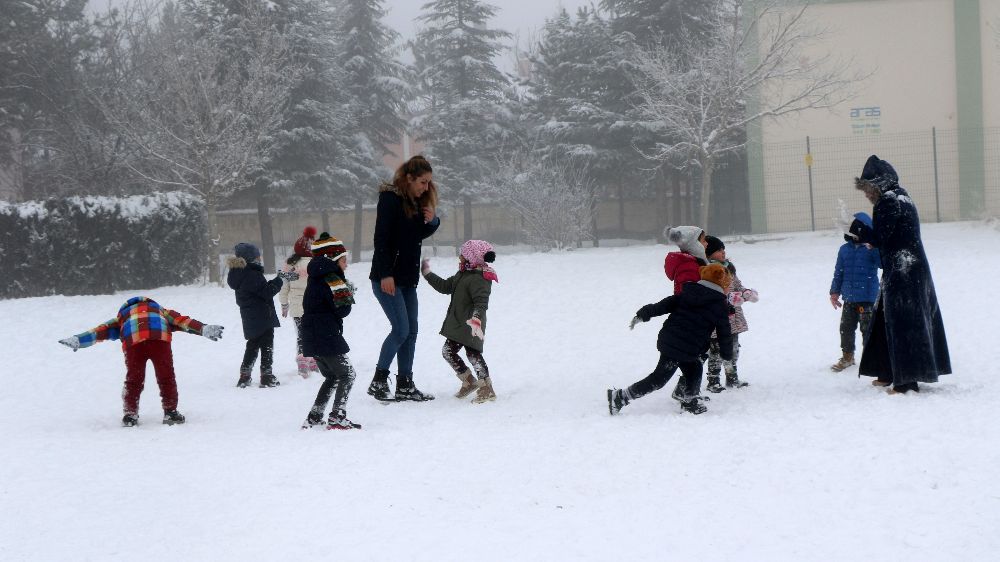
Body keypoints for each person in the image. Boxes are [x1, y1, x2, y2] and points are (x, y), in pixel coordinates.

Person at [849, 155, 951, 393]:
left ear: (879, 184)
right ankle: (886, 371)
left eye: (868, 188)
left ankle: (905, 381)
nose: (866, 193)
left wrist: (857, 230)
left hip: (903, 271)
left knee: (903, 323)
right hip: (910, 268)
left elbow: (880, 238)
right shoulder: (903, 197)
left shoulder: (888, 201)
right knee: (887, 320)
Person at [58, 296, 224, 426]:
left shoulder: (122, 316)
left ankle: (130, 414)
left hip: (134, 343)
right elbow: (183, 321)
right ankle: (171, 412)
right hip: (159, 339)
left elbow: (99, 332)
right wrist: (203, 328)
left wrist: (78, 340)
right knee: (166, 377)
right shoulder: (160, 311)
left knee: (134, 380)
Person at [607, 263, 734, 416]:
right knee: (659, 379)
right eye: (728, 285)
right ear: (720, 282)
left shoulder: (689, 293)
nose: (729, 289)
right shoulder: (719, 306)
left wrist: (644, 313)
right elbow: (724, 333)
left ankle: (689, 401)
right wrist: (727, 354)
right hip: (679, 347)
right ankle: (620, 397)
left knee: (694, 369)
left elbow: (664, 305)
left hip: (673, 341)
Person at [367, 155, 441, 402]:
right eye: (422, 181)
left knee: (412, 331)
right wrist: (386, 273)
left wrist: (433, 221)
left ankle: (405, 384)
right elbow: (382, 239)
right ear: (409, 178)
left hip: (408, 278)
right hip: (387, 278)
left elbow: (415, 235)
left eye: (429, 182)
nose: (426, 187)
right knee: (401, 330)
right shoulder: (390, 200)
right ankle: (379, 381)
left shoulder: (416, 202)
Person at [421, 239, 499, 404]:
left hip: (472, 325)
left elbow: (481, 303)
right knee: (448, 351)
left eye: (463, 254)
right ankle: (469, 381)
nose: (459, 257)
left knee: (473, 354)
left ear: (472, 257)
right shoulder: (463, 274)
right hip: (459, 324)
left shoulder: (480, 277)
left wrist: (476, 320)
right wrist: (428, 273)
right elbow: (444, 287)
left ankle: (487, 388)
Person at [300, 233, 361, 430]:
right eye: (344, 260)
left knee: (333, 376)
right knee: (347, 374)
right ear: (334, 260)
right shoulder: (332, 278)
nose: (347, 265)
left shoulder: (315, 277)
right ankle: (337, 416)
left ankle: (315, 416)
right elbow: (343, 310)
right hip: (325, 334)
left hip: (311, 334)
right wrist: (347, 294)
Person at [227, 242, 297, 388]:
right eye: (257, 257)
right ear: (250, 258)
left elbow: (261, 289)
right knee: (266, 345)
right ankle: (266, 375)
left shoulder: (240, 273)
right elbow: (267, 292)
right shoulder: (251, 274)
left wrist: (277, 279)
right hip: (262, 316)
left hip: (251, 316)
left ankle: (245, 376)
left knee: (253, 345)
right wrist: (280, 279)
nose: (260, 259)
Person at [703, 235, 758, 392]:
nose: (723, 252)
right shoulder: (709, 270)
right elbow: (711, 292)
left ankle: (732, 377)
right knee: (715, 350)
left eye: (723, 249)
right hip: (716, 318)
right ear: (709, 253)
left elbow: (737, 285)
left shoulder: (729, 267)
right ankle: (713, 381)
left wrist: (745, 292)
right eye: (718, 250)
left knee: (733, 348)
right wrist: (729, 298)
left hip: (733, 317)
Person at [828, 212, 881, 372]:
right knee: (846, 328)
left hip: (867, 298)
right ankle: (847, 356)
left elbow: (882, 263)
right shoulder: (844, 250)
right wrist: (834, 292)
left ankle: (870, 358)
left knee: (868, 330)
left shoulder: (872, 249)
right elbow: (839, 272)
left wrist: (874, 248)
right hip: (849, 298)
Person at [280, 226, 318, 378]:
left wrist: (284, 304)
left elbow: (284, 288)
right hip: (314, 307)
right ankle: (314, 360)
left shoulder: (290, 265)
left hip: (296, 308)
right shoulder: (317, 264)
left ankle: (303, 362)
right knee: (314, 334)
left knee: (301, 335)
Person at [663, 225, 708, 295]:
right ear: (695, 244)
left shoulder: (696, 263)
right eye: (704, 240)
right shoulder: (688, 268)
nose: (707, 243)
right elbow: (689, 298)